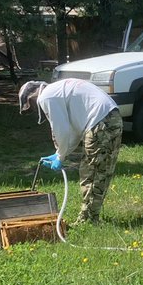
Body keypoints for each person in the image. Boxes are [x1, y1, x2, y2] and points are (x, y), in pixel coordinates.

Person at [18, 78, 123, 225]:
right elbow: (73, 134)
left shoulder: (47, 96)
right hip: (109, 118)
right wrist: (61, 153)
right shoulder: (57, 91)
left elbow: (61, 130)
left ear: (32, 97)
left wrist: (60, 156)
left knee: (93, 173)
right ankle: (91, 217)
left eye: (33, 106)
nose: (36, 109)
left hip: (101, 122)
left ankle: (88, 220)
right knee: (99, 171)